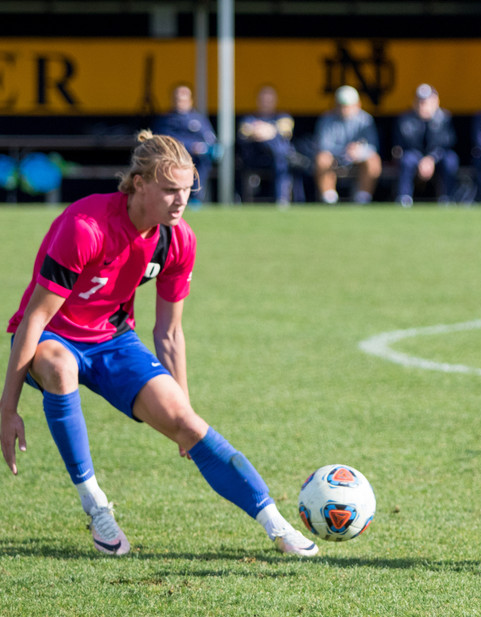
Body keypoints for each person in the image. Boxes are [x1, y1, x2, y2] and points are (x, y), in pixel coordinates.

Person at [0, 131, 318, 558]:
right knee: (60, 366)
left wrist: (181, 409)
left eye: (187, 189)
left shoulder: (178, 239)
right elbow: (35, 318)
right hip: (52, 337)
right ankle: (96, 505)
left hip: (113, 341)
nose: (180, 200)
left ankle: (276, 525)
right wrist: (8, 409)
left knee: (190, 424)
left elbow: (168, 331)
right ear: (139, 184)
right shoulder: (86, 227)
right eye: (170, 189)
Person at [314, 85, 382, 204]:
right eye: (341, 105)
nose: (344, 109)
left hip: (358, 159)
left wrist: (359, 151)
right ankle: (329, 197)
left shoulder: (366, 120)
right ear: (335, 105)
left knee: (374, 160)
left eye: (348, 105)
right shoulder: (326, 119)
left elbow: (373, 146)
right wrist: (345, 151)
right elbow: (323, 146)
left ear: (358, 104)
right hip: (335, 158)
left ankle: (363, 197)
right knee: (322, 159)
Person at [393, 83, 459, 207]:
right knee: (407, 160)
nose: (423, 105)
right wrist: (422, 160)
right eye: (420, 101)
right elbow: (405, 145)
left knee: (450, 159)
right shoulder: (405, 120)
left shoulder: (444, 118)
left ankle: (448, 197)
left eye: (427, 102)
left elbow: (446, 144)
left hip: (437, 157)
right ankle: (404, 197)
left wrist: (431, 159)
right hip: (415, 156)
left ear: (436, 102)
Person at [153, 84, 219, 204]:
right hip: (175, 156)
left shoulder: (198, 118)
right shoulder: (166, 119)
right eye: (178, 99)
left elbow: (210, 137)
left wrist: (206, 147)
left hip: (198, 157)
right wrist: (190, 147)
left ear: (190, 100)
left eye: (184, 98)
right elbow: (164, 139)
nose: (181, 102)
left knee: (205, 159)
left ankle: (196, 197)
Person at [237, 85, 299, 206]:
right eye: (263, 99)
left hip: (276, 159)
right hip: (254, 157)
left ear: (275, 101)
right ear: (258, 100)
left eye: (269, 99)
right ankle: (282, 198)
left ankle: (282, 200)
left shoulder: (283, 116)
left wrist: (265, 130)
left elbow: (286, 130)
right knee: (281, 151)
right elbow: (244, 132)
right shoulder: (249, 117)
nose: (266, 102)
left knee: (280, 155)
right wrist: (270, 131)